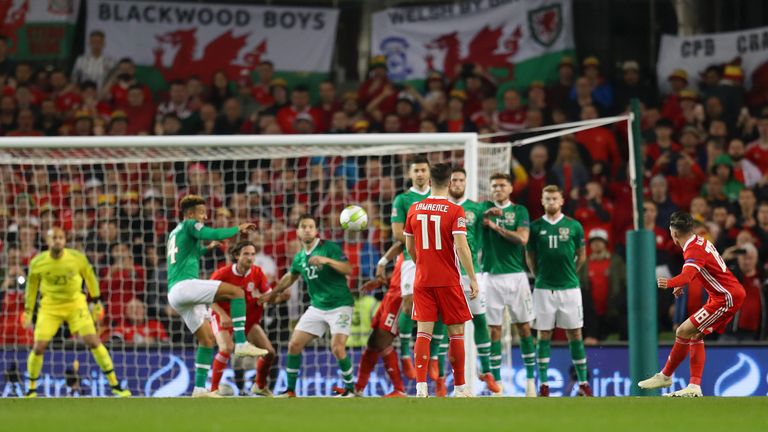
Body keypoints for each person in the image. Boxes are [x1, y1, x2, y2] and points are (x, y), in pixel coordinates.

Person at [166, 195, 266, 398]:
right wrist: (238, 228)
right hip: (185, 286)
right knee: (236, 292)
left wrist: (207, 248)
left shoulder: (174, 233)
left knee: (207, 339)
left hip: (175, 294)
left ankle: (200, 389)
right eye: (201, 212)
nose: (204, 216)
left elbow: (188, 256)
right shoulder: (189, 224)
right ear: (191, 214)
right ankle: (240, 342)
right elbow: (213, 232)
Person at [639, 212, 746, 397]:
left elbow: (688, 275)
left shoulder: (693, 249)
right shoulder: (698, 241)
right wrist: (680, 284)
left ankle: (665, 376)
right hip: (724, 294)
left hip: (725, 297)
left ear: (673, 234)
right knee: (695, 334)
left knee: (682, 331)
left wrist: (670, 282)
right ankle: (694, 386)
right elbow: (700, 269)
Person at [23, 227, 131, 397]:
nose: (57, 240)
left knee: (93, 341)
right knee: (39, 347)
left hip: (75, 304)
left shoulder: (77, 258)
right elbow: (31, 288)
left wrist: (96, 302)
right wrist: (28, 311)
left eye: (60, 237)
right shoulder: (37, 263)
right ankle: (31, 389)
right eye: (54, 238)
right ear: (47, 241)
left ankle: (115, 386)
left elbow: (90, 278)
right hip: (50, 307)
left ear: (64, 240)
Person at [403, 162, 479, 398]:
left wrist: (424, 265)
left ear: (429, 181)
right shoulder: (455, 211)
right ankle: (459, 388)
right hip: (448, 280)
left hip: (423, 280)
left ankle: (421, 387)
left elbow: (409, 247)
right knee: (456, 333)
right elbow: (462, 247)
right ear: (449, 183)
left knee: (423, 333)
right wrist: (473, 278)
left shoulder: (414, 208)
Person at [260, 214, 356, 397]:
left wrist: (327, 261)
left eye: (310, 226)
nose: (307, 229)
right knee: (294, 344)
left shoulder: (329, 248)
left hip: (340, 305)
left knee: (337, 347)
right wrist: (273, 293)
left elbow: (348, 269)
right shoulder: (299, 257)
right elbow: (291, 276)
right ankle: (290, 390)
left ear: (316, 230)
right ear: (297, 232)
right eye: (303, 226)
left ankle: (351, 389)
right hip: (317, 307)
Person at [527, 185, 592, 397]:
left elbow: (582, 254)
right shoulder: (535, 227)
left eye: (555, 198)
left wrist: (571, 273)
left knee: (575, 333)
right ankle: (544, 384)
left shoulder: (574, 226)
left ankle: (583, 383)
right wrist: (539, 276)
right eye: (547, 199)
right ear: (542, 201)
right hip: (544, 289)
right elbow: (530, 256)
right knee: (543, 334)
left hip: (569, 288)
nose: (551, 202)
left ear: (562, 201)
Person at [209, 241, 290, 396]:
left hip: (247, 319)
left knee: (269, 352)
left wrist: (278, 297)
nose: (250, 257)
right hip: (223, 317)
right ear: (236, 256)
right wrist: (222, 314)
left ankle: (259, 386)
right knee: (226, 348)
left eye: (252, 254)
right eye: (246, 254)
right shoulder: (222, 274)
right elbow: (207, 298)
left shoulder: (257, 273)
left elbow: (268, 296)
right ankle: (213, 390)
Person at [481, 173, 537, 397]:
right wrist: (485, 216)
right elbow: (474, 217)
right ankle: (496, 386)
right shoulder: (483, 209)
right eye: (494, 185)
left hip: (516, 277)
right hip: (490, 276)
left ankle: (531, 381)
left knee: (523, 328)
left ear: (511, 188)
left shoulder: (519, 211)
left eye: (502, 185)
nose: (498, 189)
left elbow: (522, 239)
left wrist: (495, 227)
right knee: (493, 330)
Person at [448, 167, 501, 393]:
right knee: (447, 324)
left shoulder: (477, 208)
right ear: (448, 183)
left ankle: (487, 370)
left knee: (480, 320)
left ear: (466, 182)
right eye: (454, 180)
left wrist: (491, 214)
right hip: (447, 273)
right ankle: (442, 378)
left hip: (473, 273)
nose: (457, 183)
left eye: (461, 180)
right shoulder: (442, 208)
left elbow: (492, 211)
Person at [390, 155, 431, 378]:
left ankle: (435, 359)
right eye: (416, 170)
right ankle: (405, 352)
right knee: (408, 304)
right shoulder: (403, 200)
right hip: (411, 257)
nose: (420, 174)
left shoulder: (438, 197)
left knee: (440, 308)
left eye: (423, 170)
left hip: (436, 259)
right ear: (410, 174)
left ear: (429, 172)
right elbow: (397, 233)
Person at [355, 252, 407, 397]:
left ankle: (399, 389)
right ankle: (358, 388)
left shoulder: (418, 240)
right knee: (373, 342)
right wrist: (381, 271)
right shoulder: (405, 243)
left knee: (381, 340)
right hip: (391, 293)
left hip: (400, 296)